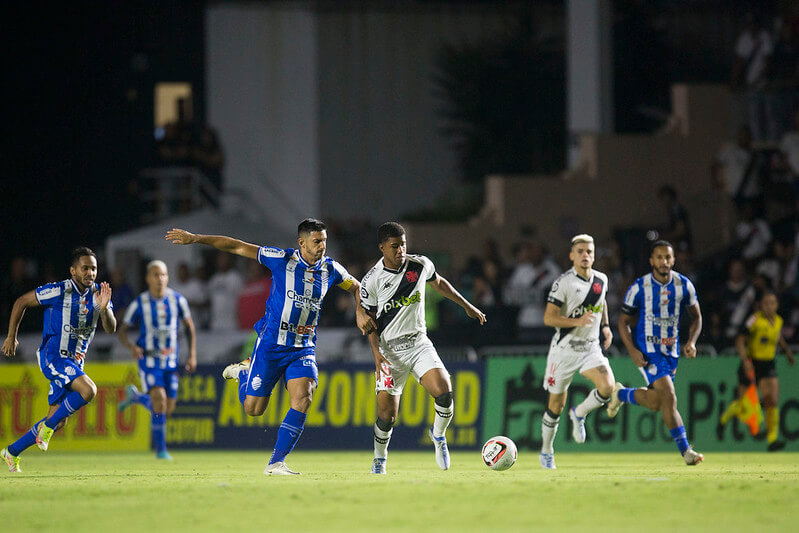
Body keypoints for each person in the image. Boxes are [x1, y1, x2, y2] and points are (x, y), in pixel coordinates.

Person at [165, 219, 375, 475]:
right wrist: (196, 238)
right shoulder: (281, 259)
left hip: (302, 348)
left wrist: (360, 311)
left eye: (324, 241)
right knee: (253, 409)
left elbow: (357, 287)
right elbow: (236, 246)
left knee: (304, 397)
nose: (322, 246)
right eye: (317, 241)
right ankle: (244, 372)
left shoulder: (331, 269)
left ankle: (276, 463)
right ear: (302, 242)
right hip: (271, 345)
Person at [359, 222, 486, 474]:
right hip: (389, 352)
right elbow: (369, 322)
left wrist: (467, 306)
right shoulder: (371, 280)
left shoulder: (419, 265)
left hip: (418, 344)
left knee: (445, 393)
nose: (400, 250)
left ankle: (438, 435)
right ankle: (379, 459)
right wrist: (376, 355)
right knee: (387, 416)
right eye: (394, 246)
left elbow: (439, 283)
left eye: (403, 244)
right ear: (382, 247)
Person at [1, 247, 116, 473]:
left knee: (58, 420)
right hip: (53, 357)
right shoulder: (59, 290)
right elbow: (21, 302)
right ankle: (47, 429)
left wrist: (104, 310)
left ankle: (11, 452)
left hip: (75, 363)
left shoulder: (97, 295)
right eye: (85, 268)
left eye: (94, 268)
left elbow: (111, 328)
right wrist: (11, 336)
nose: (90, 273)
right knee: (89, 390)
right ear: (73, 271)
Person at [607, 240, 704, 466]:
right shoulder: (639, 287)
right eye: (659, 257)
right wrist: (632, 350)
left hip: (671, 352)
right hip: (648, 350)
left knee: (655, 403)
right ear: (652, 260)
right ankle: (686, 451)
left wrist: (692, 341)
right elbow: (623, 322)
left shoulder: (684, 285)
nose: (664, 261)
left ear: (673, 259)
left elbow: (697, 317)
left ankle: (621, 394)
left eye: (667, 257)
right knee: (669, 395)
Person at [538, 234, 616, 470]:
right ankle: (546, 450)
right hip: (564, 349)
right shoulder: (563, 283)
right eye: (580, 251)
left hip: (590, 347)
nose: (585, 255)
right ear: (572, 256)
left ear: (594, 255)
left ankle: (579, 413)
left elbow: (601, 302)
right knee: (555, 406)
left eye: (589, 252)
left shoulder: (601, 279)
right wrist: (577, 321)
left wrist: (605, 326)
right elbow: (548, 318)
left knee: (607, 387)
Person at [116, 260, 198, 460]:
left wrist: (192, 354)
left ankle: (136, 398)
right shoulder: (140, 303)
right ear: (147, 278)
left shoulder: (178, 300)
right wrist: (132, 347)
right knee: (159, 400)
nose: (160, 279)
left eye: (163, 275)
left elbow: (189, 326)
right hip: (149, 361)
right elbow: (122, 331)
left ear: (167, 277)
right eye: (155, 274)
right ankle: (161, 451)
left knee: (167, 409)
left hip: (170, 361)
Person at [723, 291, 795, 450]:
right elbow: (739, 340)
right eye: (766, 303)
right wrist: (745, 361)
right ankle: (725, 418)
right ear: (761, 305)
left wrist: (788, 353)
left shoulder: (778, 321)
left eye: (772, 303)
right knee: (744, 406)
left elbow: (778, 337)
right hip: (752, 363)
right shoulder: (754, 320)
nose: (769, 306)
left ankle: (772, 440)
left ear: (777, 305)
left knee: (772, 400)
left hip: (768, 364)